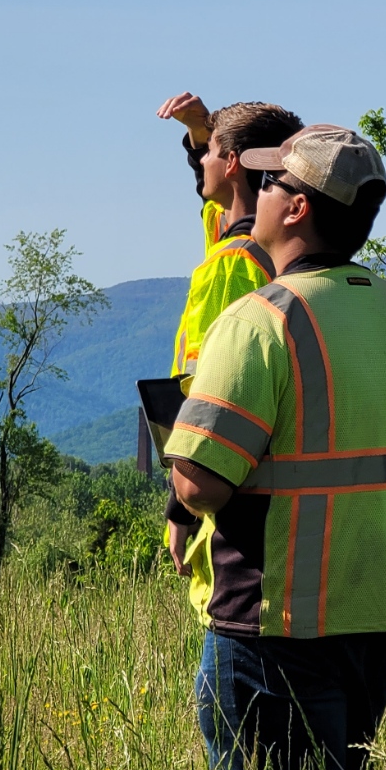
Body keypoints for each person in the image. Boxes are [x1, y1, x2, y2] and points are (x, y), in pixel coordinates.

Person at [161, 125, 386, 770]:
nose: (256, 192)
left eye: (269, 182)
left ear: (295, 208)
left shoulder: (260, 320)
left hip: (277, 620)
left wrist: (178, 454)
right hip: (380, 610)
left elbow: (199, 482)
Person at [153, 95, 303, 583]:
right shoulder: (276, 248)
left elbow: (209, 393)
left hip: (232, 496)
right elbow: (217, 205)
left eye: (211, 152)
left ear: (234, 162)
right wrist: (201, 132)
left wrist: (180, 507)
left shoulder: (232, 262)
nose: (202, 163)